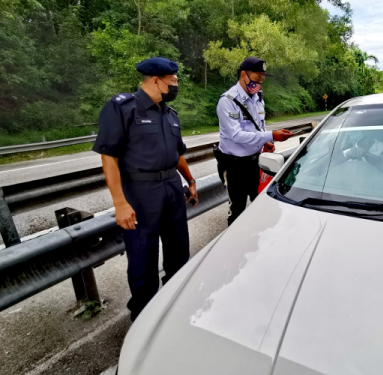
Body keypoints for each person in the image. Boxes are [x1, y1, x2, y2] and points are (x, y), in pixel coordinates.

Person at [92, 57, 198, 321]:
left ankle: (174, 307)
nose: (175, 86)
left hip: (172, 187)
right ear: (155, 80)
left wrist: (190, 180)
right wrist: (119, 202)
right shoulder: (123, 108)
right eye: (172, 81)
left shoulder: (170, 114)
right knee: (142, 257)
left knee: (178, 252)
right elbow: (109, 157)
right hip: (140, 192)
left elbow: (178, 153)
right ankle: (144, 316)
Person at [215, 57, 293, 225]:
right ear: (244, 75)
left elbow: (257, 126)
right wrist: (271, 136)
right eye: (257, 79)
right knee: (237, 210)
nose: (259, 84)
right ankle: (236, 247)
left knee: (262, 205)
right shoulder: (227, 101)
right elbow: (236, 135)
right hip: (234, 165)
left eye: (262, 81)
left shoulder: (257, 98)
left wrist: (264, 142)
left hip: (255, 162)